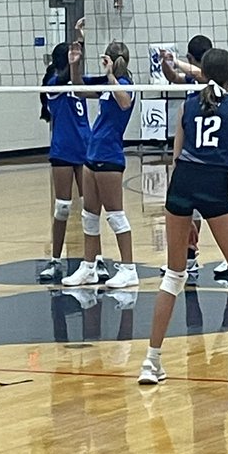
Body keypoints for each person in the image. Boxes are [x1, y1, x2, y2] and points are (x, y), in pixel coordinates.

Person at [138, 47, 228, 387]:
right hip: (213, 187)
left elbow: (176, 159)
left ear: (202, 73)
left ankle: (151, 363)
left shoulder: (187, 105)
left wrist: (188, 216)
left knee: (173, 276)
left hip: (181, 186)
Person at [62, 41, 138, 289]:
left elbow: (125, 103)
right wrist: (74, 65)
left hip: (110, 156)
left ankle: (128, 269)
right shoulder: (107, 85)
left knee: (115, 216)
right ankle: (88, 267)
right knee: (89, 216)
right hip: (92, 154)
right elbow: (80, 90)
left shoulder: (126, 84)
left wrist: (110, 77)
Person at [158, 35, 228, 283]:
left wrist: (175, 60)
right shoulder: (192, 78)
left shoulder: (212, 79)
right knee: (193, 210)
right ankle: (188, 258)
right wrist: (167, 64)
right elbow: (174, 79)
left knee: (216, 209)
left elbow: (202, 75)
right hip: (191, 146)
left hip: (211, 152)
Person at [38, 20, 94, 283]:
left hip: (85, 148)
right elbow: (64, 77)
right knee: (62, 207)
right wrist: (76, 53)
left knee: (89, 208)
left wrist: (80, 39)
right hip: (62, 150)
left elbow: (76, 74)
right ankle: (55, 260)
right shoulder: (52, 84)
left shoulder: (78, 81)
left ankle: (95, 260)